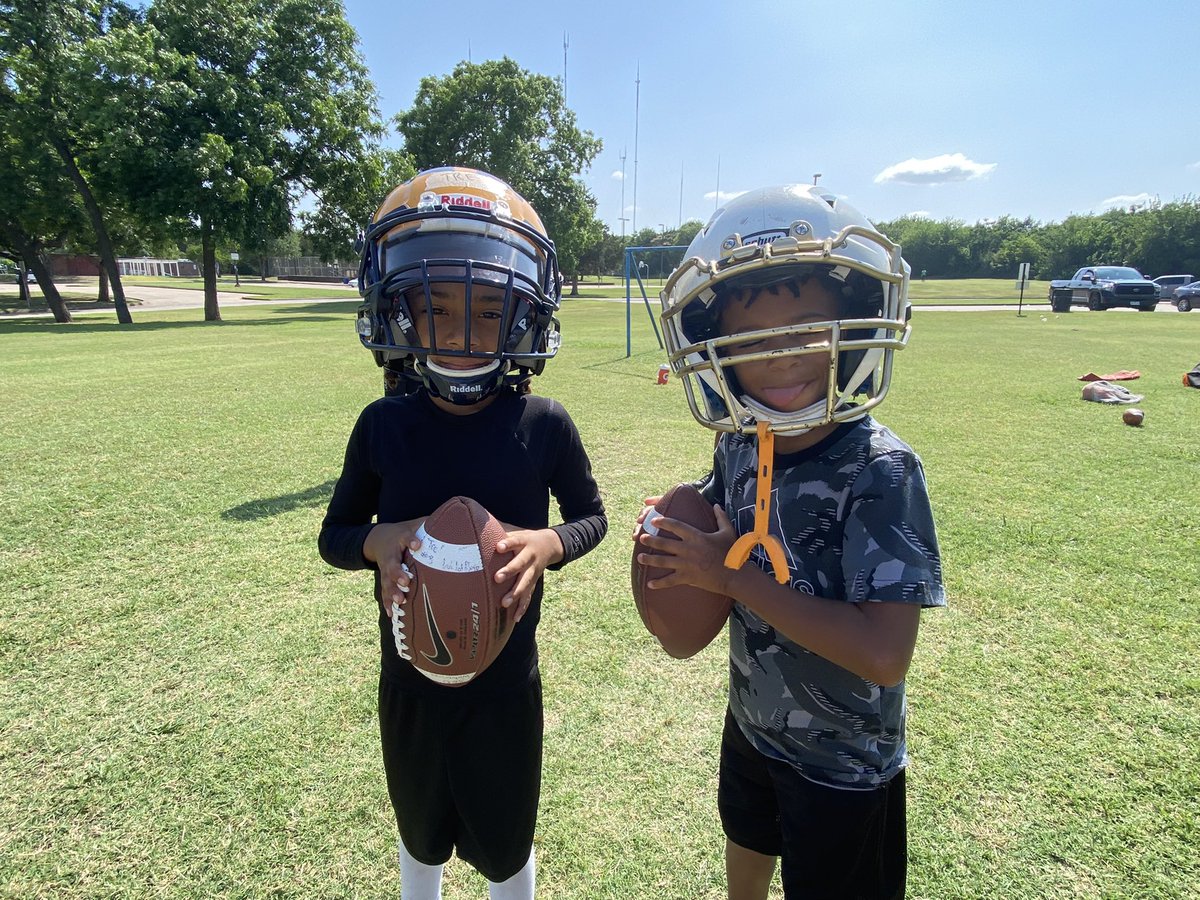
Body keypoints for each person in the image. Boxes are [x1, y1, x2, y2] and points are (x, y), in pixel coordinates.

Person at [635, 184, 945, 899]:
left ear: (853, 326)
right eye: (752, 341)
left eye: (808, 330)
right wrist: (679, 522)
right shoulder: (742, 443)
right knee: (746, 842)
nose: (781, 357)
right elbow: (723, 514)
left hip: (844, 760)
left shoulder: (881, 470)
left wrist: (731, 580)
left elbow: (884, 654)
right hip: (754, 720)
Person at [319, 167, 607, 900]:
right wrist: (378, 541)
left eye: (487, 312)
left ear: (523, 319)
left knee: (506, 846)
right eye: (438, 308)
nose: (460, 332)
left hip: (505, 686)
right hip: (408, 682)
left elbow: (592, 517)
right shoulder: (383, 425)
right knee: (419, 834)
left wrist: (548, 544)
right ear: (398, 313)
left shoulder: (544, 424)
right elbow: (335, 534)